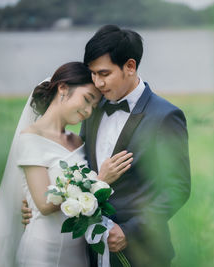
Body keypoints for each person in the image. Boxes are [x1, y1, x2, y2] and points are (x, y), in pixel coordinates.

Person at [23, 25, 191, 267]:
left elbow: (177, 187)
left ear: (130, 67)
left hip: (142, 253)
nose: (97, 83)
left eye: (104, 73)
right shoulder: (93, 109)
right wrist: (41, 202)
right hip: (87, 251)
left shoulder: (165, 116)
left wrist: (130, 232)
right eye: (92, 74)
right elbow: (79, 167)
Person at [0, 62, 133, 267]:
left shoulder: (78, 141)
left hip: (79, 252)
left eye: (93, 106)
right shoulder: (31, 138)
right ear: (63, 88)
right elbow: (45, 205)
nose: (89, 111)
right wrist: (100, 180)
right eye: (87, 100)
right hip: (43, 253)